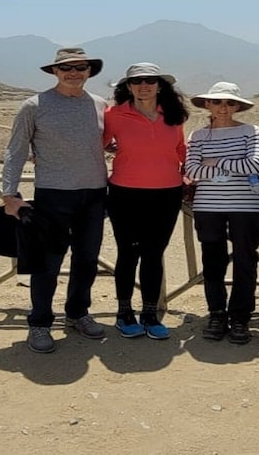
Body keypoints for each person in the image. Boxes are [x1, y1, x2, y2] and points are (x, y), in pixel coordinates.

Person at [1, 47, 109, 354]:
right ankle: (40, 322)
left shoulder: (100, 105)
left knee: (87, 260)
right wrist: (10, 193)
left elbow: (103, 144)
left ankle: (77, 313)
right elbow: (16, 151)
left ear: (89, 71)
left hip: (94, 195)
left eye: (80, 67)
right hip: (53, 195)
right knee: (47, 263)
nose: (74, 73)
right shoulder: (34, 106)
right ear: (54, 71)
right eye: (67, 68)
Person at [103, 62, 189, 340]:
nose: (144, 86)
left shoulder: (173, 115)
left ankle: (150, 314)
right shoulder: (114, 115)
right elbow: (98, 144)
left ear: (160, 85)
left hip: (167, 194)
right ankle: (124, 313)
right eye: (137, 81)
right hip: (125, 194)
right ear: (128, 86)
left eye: (150, 81)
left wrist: (190, 176)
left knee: (154, 254)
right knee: (127, 253)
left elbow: (180, 149)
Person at [184, 82, 259, 344]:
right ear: (207, 104)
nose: (223, 107)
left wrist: (215, 162)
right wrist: (232, 166)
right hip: (208, 207)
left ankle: (240, 316)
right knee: (213, 261)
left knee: (245, 260)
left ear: (238, 106)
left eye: (230, 102)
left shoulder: (251, 131)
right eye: (217, 102)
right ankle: (217, 313)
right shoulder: (197, 136)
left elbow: (254, 163)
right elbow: (192, 171)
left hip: (246, 207)